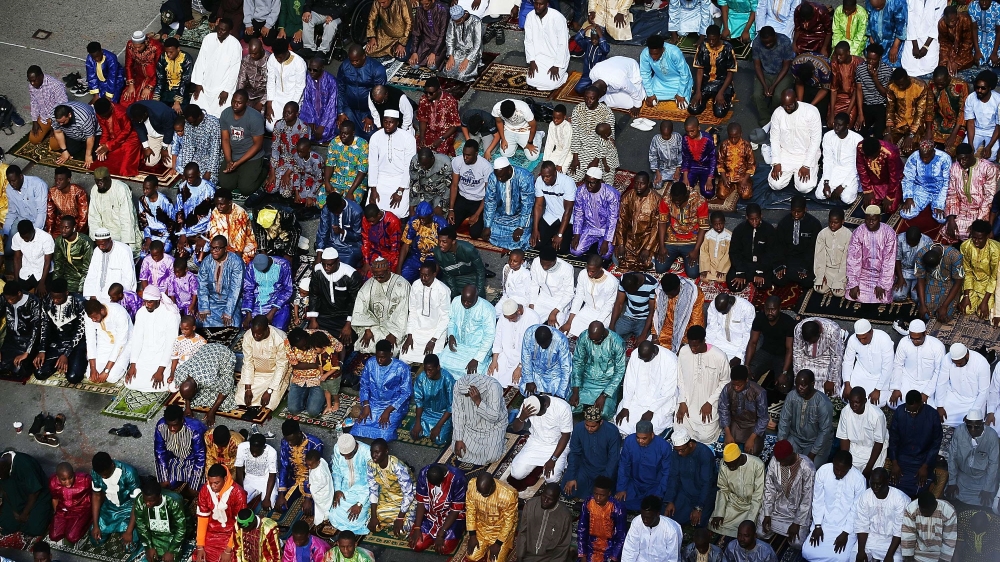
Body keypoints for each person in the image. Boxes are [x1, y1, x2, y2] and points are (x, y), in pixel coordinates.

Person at [800, 451, 867, 562]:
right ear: (833, 463)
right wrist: (817, 526)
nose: (839, 473)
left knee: (841, 558)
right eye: (836, 469)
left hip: (846, 527)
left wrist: (845, 533)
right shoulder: (823, 471)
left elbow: (856, 510)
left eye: (843, 471)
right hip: (824, 524)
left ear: (850, 467)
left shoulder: (859, 480)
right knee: (807, 552)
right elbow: (818, 500)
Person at [676, 325, 729, 444]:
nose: (693, 349)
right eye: (691, 345)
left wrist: (710, 402)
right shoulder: (684, 352)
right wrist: (682, 401)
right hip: (687, 402)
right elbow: (680, 378)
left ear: (704, 341)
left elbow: (725, 381)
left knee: (706, 437)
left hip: (708, 404)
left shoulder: (719, 356)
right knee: (679, 431)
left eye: (696, 346)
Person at [507, 394, 573, 489]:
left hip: (557, 444)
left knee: (551, 479)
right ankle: (538, 466)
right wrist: (522, 417)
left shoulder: (562, 407)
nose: (537, 416)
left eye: (540, 413)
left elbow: (566, 436)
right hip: (536, 442)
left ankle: (552, 464)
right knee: (516, 474)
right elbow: (516, 429)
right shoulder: (528, 404)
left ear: (545, 405)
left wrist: (553, 459)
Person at [352, 339, 412, 440]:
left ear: (391, 354)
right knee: (358, 429)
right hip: (373, 403)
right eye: (377, 357)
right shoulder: (371, 363)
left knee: (385, 434)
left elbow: (406, 392)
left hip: (393, 405)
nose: (379, 360)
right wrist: (366, 405)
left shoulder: (402, 368)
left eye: (383, 357)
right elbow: (364, 385)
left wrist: (388, 410)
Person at [758, 440, 815, 547]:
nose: (781, 464)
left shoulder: (807, 467)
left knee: (797, 543)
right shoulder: (775, 461)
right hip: (777, 507)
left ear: (791, 455)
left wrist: (797, 523)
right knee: (760, 532)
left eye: (783, 460)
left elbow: (807, 499)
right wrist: (767, 513)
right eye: (779, 460)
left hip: (797, 512)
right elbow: (769, 488)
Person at [888, 390, 944, 496]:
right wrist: (894, 463)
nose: (912, 414)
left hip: (923, 461)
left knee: (919, 490)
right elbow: (893, 439)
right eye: (909, 411)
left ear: (921, 403)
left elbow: (936, 443)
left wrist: (925, 466)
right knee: (894, 489)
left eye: (915, 411)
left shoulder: (932, 415)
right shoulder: (900, 411)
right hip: (902, 460)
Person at [126, 286, 181, 392]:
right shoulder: (141, 312)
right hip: (145, 354)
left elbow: (171, 344)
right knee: (130, 383)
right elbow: (137, 339)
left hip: (162, 356)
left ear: (158, 300)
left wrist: (161, 370)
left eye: (150, 302)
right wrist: (133, 364)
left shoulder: (170, 315)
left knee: (163, 384)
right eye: (145, 301)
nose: (147, 305)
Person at [562, 404, 621, 501]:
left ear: (601, 422)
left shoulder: (612, 431)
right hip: (585, 467)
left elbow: (613, 458)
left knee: (604, 494)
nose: (589, 429)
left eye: (593, 426)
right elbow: (574, 453)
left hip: (604, 470)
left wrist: (604, 480)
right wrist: (572, 477)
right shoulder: (579, 428)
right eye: (587, 425)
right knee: (568, 490)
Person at [767, 90, 822, 193]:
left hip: (805, 154)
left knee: (804, 188)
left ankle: (812, 169)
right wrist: (776, 162)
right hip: (786, 154)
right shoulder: (778, 113)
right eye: (784, 106)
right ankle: (790, 174)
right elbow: (774, 139)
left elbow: (816, 140)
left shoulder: (811, 112)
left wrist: (806, 165)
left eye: (790, 105)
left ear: (796, 99)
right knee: (775, 184)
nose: (787, 108)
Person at [570, 322, 625, 419]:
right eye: (592, 340)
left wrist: (604, 395)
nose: (594, 342)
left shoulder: (617, 342)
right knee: (570, 407)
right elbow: (578, 363)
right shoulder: (584, 337)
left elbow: (620, 371)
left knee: (603, 413)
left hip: (607, 383)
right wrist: (575, 390)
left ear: (604, 333)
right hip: (586, 380)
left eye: (597, 340)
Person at [36, 279, 87, 382]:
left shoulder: (80, 302)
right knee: (39, 373)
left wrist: (66, 354)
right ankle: (58, 363)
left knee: (73, 377)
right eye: (53, 297)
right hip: (56, 343)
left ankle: (73, 362)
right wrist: (42, 350)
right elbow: (44, 326)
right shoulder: (46, 300)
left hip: (75, 345)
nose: (55, 301)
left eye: (59, 298)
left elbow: (80, 330)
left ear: (66, 293)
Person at [778, 370, 834, 466]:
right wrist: (781, 444)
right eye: (797, 384)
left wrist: (811, 455)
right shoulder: (791, 396)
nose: (800, 388)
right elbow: (784, 421)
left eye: (803, 385)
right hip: (795, 438)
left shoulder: (823, 403)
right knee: (778, 460)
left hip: (815, 443)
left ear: (812, 384)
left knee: (809, 469)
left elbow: (824, 432)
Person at [614, 418, 670, 512]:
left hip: (653, 486)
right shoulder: (629, 441)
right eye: (638, 437)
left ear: (652, 435)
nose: (640, 441)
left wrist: (659, 493)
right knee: (619, 501)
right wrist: (621, 488)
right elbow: (624, 465)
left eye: (644, 438)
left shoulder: (664, 447)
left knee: (655, 506)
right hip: (634, 483)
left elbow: (666, 473)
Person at [452, 371, 508, 465]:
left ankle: (501, 442)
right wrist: (459, 439)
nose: (467, 396)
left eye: (468, 393)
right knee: (460, 451)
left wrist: (478, 401)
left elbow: (493, 417)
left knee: (492, 457)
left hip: (493, 427)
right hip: (471, 426)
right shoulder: (458, 385)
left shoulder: (493, 386)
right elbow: (458, 413)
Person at [236, 318, 291, 414]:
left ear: (267, 329)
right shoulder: (248, 336)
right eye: (253, 333)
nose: (255, 336)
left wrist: (269, 390)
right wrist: (248, 388)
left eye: (259, 334)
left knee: (270, 403)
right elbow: (248, 362)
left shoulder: (280, 338)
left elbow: (282, 367)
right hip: (256, 373)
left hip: (275, 374)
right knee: (240, 397)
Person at [945, 144, 998, 243]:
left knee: (976, 236)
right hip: (962, 210)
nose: (962, 162)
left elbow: (989, 197)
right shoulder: (954, 167)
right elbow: (952, 194)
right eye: (959, 159)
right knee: (949, 231)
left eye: (965, 158)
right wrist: (951, 219)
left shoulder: (988, 168)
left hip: (981, 211)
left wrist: (978, 222)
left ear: (972, 155)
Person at [664, 428, 716, 528]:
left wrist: (699, 508)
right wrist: (670, 500)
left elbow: (707, 483)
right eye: (677, 450)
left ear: (690, 444)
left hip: (704, 493)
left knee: (699, 522)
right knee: (668, 515)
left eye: (682, 450)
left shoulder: (704, 454)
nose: (679, 453)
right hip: (685, 491)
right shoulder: (676, 453)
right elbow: (674, 476)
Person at [854, 468, 909, 562]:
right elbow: (862, 525)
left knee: (896, 560)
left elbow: (899, 531)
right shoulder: (865, 496)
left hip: (892, 541)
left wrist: (889, 555)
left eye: (879, 484)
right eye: (872, 483)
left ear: (887, 482)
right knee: (854, 557)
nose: (875, 487)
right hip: (870, 538)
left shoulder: (900, 499)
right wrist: (861, 551)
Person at [845, 206, 897, 305]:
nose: (870, 222)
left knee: (883, 297)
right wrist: (854, 283)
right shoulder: (859, 232)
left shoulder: (889, 233)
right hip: (863, 273)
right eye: (868, 219)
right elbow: (853, 259)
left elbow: (889, 261)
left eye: (873, 219)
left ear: (880, 219)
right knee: (851, 294)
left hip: (881, 274)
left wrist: (882, 284)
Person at [190, 19, 242, 119]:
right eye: (219, 28)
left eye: (223, 30)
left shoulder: (235, 45)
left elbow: (234, 71)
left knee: (221, 114)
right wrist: (198, 83)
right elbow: (201, 61)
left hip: (221, 88)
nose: (220, 31)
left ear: (230, 31)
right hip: (204, 86)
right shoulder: (208, 38)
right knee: (195, 108)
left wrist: (226, 90)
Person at [194, 464, 247, 562]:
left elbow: (239, 524)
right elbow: (202, 519)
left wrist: (228, 550)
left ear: (225, 478)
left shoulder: (238, 493)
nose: (213, 486)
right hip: (212, 533)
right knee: (200, 557)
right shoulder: (206, 489)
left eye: (216, 483)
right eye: (211, 483)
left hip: (232, 534)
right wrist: (200, 547)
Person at [711, 444, 766, 538]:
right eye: (728, 465)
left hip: (751, 505)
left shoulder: (757, 465)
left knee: (749, 530)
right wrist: (719, 513)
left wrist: (750, 521)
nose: (730, 468)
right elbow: (723, 489)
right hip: (733, 503)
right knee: (715, 524)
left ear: (740, 457)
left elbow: (758, 496)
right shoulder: (724, 464)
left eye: (732, 464)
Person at [655, 182, 708, 279]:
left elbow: (703, 227)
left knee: (693, 274)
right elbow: (662, 222)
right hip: (672, 238)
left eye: (679, 200)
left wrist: (696, 250)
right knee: (660, 268)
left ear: (686, 195)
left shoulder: (699, 201)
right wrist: (662, 246)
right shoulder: (667, 199)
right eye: (674, 200)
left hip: (692, 240)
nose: (677, 203)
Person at [947, 409, 999, 507]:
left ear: (983, 424)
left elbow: (994, 464)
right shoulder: (959, 431)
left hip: (983, 479)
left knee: (985, 503)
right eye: (969, 426)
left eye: (977, 427)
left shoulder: (992, 436)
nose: (972, 430)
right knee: (952, 499)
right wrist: (952, 481)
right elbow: (952, 457)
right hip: (963, 477)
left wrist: (987, 488)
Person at [481, 157, 534, 251]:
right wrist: (487, 225)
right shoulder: (493, 177)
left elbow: (527, 204)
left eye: (502, 176)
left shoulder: (524, 177)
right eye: (498, 176)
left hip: (518, 217)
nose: (500, 179)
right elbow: (490, 202)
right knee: (489, 233)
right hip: (500, 217)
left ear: (509, 169)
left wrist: (521, 227)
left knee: (522, 238)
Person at [336, 46, 387, 141]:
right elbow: (340, 89)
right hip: (350, 108)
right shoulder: (344, 66)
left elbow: (380, 96)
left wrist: (370, 116)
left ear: (364, 56)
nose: (354, 63)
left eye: (357, 60)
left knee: (372, 135)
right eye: (351, 61)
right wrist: (340, 112)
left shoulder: (377, 69)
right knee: (340, 130)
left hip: (368, 110)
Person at [130, 480, 189, 562]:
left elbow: (181, 528)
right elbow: (140, 524)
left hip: (172, 537)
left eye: (151, 501)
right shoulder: (140, 499)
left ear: (159, 497)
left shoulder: (173, 501)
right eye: (145, 500)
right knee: (145, 556)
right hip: (152, 536)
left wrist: (171, 551)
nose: (147, 504)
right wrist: (149, 546)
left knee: (172, 559)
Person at [935, 343, 991, 428]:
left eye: (960, 363)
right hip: (954, 395)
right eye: (955, 363)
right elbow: (942, 382)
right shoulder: (947, 358)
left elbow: (984, 392)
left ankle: (989, 356)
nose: (957, 365)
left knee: (972, 425)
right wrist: (940, 406)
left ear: (967, 355)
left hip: (973, 401)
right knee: (934, 415)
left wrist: (973, 412)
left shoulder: (981, 363)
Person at [465, 473, 518, 562]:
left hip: (499, 530)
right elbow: (470, 510)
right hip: (481, 528)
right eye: (480, 492)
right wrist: (472, 535)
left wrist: (498, 543)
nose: (482, 495)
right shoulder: (472, 485)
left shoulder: (508, 495)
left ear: (493, 485)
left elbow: (509, 522)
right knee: (471, 556)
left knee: (495, 561)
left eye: (486, 493)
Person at [891, 319, 945, 405]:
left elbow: (939, 371)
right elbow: (898, 365)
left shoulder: (937, 347)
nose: (915, 341)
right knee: (894, 402)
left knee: (929, 406)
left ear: (925, 333)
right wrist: (896, 387)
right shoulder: (904, 342)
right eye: (912, 338)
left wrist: (927, 393)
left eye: (918, 339)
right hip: (908, 379)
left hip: (927, 382)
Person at [89, 452, 139, 545]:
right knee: (95, 540)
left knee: (130, 546)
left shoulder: (129, 473)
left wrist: (129, 531)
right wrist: (96, 524)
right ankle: (113, 527)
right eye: (101, 474)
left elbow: (137, 502)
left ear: (112, 465)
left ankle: (127, 529)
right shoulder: (95, 473)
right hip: (109, 508)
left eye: (105, 474)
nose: (103, 477)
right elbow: (96, 495)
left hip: (128, 509)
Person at [88, 170, 142, 256]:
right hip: (105, 235)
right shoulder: (95, 190)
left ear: (109, 178)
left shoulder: (121, 189)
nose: (99, 184)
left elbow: (127, 218)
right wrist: (97, 239)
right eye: (97, 181)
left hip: (123, 234)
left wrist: (125, 243)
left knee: (126, 256)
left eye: (102, 181)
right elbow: (93, 217)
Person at [842, 319, 893, 408]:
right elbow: (848, 362)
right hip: (862, 372)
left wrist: (878, 389)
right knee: (846, 395)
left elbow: (888, 367)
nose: (862, 341)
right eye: (859, 338)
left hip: (880, 375)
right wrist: (847, 384)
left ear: (871, 332)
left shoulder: (884, 339)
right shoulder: (853, 340)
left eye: (864, 338)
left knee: (879, 401)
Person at [517, 483, 573, 562]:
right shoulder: (530, 505)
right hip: (528, 555)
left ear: (557, 499)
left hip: (548, 557)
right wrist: (520, 556)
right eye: (544, 496)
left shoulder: (564, 515)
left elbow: (563, 545)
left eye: (550, 499)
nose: (545, 501)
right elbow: (523, 532)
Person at [750, 27, 795, 125]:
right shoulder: (757, 43)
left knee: (778, 96)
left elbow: (786, 66)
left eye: (770, 42)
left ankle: (775, 115)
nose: (768, 45)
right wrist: (765, 86)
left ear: (775, 36)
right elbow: (757, 66)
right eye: (765, 43)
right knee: (757, 96)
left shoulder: (785, 41)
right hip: (765, 73)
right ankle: (765, 119)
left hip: (783, 74)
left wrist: (774, 86)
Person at [689, 26, 737, 118]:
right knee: (693, 109)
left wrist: (721, 93)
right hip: (706, 82)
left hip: (722, 82)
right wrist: (698, 92)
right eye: (709, 39)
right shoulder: (702, 47)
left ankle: (724, 96)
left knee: (719, 112)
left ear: (719, 37)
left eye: (713, 39)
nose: (711, 42)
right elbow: (700, 70)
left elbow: (730, 73)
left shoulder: (728, 48)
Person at [719, 365, 768, 455]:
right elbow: (723, 410)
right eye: (734, 384)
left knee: (753, 451)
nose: (736, 388)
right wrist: (727, 433)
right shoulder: (728, 388)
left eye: (739, 385)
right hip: (735, 423)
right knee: (729, 450)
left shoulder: (759, 392)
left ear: (746, 380)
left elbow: (763, 418)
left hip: (753, 426)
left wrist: (752, 438)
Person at [728, 205, 777, 292]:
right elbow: (734, 252)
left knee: (765, 284)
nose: (754, 222)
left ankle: (751, 277)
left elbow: (770, 253)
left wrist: (760, 271)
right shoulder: (739, 230)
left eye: (757, 219)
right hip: (744, 264)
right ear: (746, 217)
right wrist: (740, 272)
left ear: (761, 216)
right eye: (751, 219)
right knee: (733, 285)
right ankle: (749, 277)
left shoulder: (769, 229)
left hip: (762, 264)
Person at [197, 236, 244, 327]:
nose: (213, 251)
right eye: (212, 247)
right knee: (204, 321)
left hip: (231, 302)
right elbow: (202, 285)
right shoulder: (206, 261)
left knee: (233, 324)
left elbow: (235, 289)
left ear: (225, 249)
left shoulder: (236, 262)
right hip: (212, 300)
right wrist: (204, 307)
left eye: (217, 248)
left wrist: (228, 312)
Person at [577, 476, 627, 562]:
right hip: (590, 547)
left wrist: (613, 557)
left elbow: (621, 536)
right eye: (596, 494)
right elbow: (582, 528)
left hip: (609, 549)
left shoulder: (617, 508)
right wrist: (582, 553)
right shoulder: (588, 503)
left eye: (602, 495)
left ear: (609, 493)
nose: (598, 498)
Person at [523, 0, 569, 90]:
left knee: (551, 85)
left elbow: (563, 44)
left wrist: (557, 65)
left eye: (541, 4)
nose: (538, 6)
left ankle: (564, 76)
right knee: (530, 81)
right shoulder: (530, 16)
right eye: (536, 3)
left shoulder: (558, 18)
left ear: (547, 4)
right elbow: (528, 41)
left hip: (556, 58)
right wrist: (532, 61)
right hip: (539, 57)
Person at [914, 242, 964, 323]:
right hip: (931, 281)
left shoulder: (955, 256)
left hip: (950, 284)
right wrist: (922, 305)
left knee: (944, 317)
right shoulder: (921, 253)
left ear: (941, 257)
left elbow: (958, 282)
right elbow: (920, 279)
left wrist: (944, 306)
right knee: (926, 315)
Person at [817, 114, 863, 204]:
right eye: (835, 124)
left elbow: (858, 165)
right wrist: (826, 182)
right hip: (834, 169)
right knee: (820, 195)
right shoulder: (828, 136)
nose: (836, 127)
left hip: (851, 172)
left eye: (840, 125)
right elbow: (827, 160)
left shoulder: (857, 139)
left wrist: (842, 186)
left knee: (846, 198)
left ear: (847, 126)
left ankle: (853, 187)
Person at [240, 254, 293, 330]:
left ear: (269, 262)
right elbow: (248, 290)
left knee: (278, 329)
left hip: (278, 304)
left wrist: (272, 312)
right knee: (250, 328)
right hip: (257, 305)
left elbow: (287, 290)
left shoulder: (283, 264)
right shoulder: (251, 266)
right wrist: (248, 314)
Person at [900, 492, 958, 562]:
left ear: (935, 505)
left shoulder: (948, 511)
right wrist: (909, 559)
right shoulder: (912, 509)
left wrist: (943, 560)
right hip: (918, 554)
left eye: (927, 511)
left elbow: (949, 539)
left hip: (939, 555)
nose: (924, 514)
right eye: (922, 511)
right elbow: (908, 536)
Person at [622, 496, 682, 562]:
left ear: (657, 514)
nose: (645, 520)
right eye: (643, 516)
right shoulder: (637, 522)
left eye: (648, 517)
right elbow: (630, 550)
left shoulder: (671, 530)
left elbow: (672, 558)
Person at [640, 35, 693, 109]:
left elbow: (684, 74)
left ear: (662, 49)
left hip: (677, 81)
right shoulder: (645, 53)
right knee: (651, 102)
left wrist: (681, 94)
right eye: (651, 54)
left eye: (656, 54)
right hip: (660, 81)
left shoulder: (674, 52)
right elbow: (645, 73)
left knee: (683, 106)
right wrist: (650, 94)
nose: (653, 57)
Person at [520, 325, 572, 399]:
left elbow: (566, 368)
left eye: (545, 343)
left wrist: (560, 393)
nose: (542, 347)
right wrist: (529, 380)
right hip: (536, 370)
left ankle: (545, 397)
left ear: (551, 338)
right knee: (524, 388)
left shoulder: (560, 339)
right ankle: (541, 397)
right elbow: (526, 357)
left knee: (561, 392)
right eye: (540, 344)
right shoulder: (529, 334)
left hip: (554, 372)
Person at [961, 221, 1000, 319]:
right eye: (974, 237)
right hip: (973, 282)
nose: (976, 241)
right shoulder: (966, 246)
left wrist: (985, 302)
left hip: (988, 283)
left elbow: (994, 277)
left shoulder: (995, 250)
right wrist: (966, 296)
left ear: (987, 236)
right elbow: (967, 271)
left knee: (984, 314)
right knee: (966, 309)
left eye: (980, 238)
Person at [48, 462, 93, 545]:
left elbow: (97, 493)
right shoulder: (53, 483)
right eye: (63, 480)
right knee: (54, 536)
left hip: (81, 509)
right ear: (57, 477)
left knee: (72, 537)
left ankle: (89, 522)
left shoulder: (85, 480)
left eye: (70, 477)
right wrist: (57, 515)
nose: (68, 482)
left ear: (74, 474)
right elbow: (55, 499)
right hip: (63, 510)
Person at [886, 71, 928, 156]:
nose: (900, 87)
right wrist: (889, 131)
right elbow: (890, 108)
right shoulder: (891, 86)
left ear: (907, 78)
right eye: (898, 85)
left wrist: (911, 134)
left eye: (902, 84)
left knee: (908, 150)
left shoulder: (920, 86)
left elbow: (920, 112)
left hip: (916, 123)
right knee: (887, 147)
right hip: (899, 121)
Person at [857, 137, 904, 213]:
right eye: (868, 156)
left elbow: (894, 176)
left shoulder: (891, 153)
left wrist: (889, 196)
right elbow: (861, 168)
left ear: (879, 150)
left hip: (891, 181)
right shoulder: (860, 147)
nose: (871, 159)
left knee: (889, 208)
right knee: (870, 206)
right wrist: (868, 190)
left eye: (873, 156)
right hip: (874, 181)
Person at [25, 65, 68, 148]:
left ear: (41, 76)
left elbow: (63, 106)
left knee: (55, 146)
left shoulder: (56, 85)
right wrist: (34, 121)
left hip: (57, 119)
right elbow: (34, 103)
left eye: (34, 81)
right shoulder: (32, 85)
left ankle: (65, 132)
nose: (32, 84)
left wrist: (55, 125)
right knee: (33, 140)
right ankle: (48, 129)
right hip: (44, 117)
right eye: (30, 81)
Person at [705, 294, 755, 362]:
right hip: (719, 341)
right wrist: (707, 346)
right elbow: (711, 328)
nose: (722, 314)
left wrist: (739, 356)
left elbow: (747, 334)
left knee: (732, 368)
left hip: (738, 346)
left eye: (723, 311)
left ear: (730, 303)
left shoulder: (747, 308)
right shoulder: (713, 305)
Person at [813, 209, 851, 297]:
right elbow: (819, 256)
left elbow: (846, 259)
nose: (832, 225)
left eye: (836, 222)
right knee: (819, 289)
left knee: (838, 293)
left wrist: (839, 280)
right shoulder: (822, 234)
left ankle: (841, 283)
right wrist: (821, 275)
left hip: (841, 270)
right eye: (830, 222)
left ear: (842, 221)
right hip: (827, 270)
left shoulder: (848, 235)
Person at [234, 433, 278, 508]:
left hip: (266, 480)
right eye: (252, 451)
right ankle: (256, 492)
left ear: (264, 447)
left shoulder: (272, 453)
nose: (254, 454)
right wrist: (241, 490)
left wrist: (267, 498)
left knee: (269, 506)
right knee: (238, 503)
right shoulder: (242, 447)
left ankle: (261, 493)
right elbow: (239, 468)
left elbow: (272, 475)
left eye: (257, 452)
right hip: (249, 479)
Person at [50, 102, 99, 168]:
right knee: (68, 151)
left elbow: (90, 137)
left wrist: (88, 155)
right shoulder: (54, 116)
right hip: (73, 134)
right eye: (59, 122)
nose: (61, 124)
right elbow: (58, 132)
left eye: (63, 122)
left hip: (91, 134)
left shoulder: (84, 118)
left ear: (69, 115)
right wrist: (64, 151)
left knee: (96, 154)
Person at [441, 6, 483, 83]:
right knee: (447, 72)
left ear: (463, 16)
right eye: (455, 21)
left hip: (472, 53)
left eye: (458, 21)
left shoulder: (476, 21)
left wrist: (467, 60)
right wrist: (451, 56)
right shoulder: (453, 21)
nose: (456, 23)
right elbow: (450, 39)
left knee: (462, 75)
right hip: (457, 51)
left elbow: (477, 44)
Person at [965, 71, 1000, 161]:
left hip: (992, 131)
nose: (979, 90)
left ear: (990, 88)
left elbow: (998, 127)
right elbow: (971, 122)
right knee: (966, 152)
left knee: (991, 156)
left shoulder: (998, 100)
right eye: (977, 87)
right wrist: (970, 144)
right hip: (977, 129)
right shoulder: (971, 98)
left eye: (983, 88)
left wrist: (989, 146)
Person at [45, 167, 89, 238]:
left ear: (68, 179)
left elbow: (83, 217)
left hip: (76, 224)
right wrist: (49, 232)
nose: (57, 182)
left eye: (61, 180)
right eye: (56, 180)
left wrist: (76, 234)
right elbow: (50, 215)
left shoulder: (79, 191)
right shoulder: (52, 192)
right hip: (61, 223)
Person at [716, 124, 756, 201]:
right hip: (728, 176)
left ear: (741, 134)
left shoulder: (746, 145)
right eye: (731, 137)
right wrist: (724, 178)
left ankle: (740, 185)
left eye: (736, 137)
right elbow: (720, 163)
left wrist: (744, 180)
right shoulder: (724, 145)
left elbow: (751, 164)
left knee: (746, 195)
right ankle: (734, 186)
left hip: (742, 176)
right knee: (721, 194)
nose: (733, 140)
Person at [12, 220, 53, 291]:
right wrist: (16, 281)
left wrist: (42, 283)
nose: (25, 240)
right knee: (17, 292)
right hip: (26, 270)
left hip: (43, 272)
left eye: (27, 237)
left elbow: (47, 262)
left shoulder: (46, 238)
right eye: (23, 237)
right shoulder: (16, 237)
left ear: (32, 231)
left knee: (42, 296)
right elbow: (17, 259)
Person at [894, 227, 932, 302]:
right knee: (896, 296)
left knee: (917, 298)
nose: (911, 245)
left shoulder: (927, 242)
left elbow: (929, 264)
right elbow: (897, 259)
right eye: (909, 242)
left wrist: (922, 282)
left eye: (913, 243)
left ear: (920, 238)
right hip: (904, 271)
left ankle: (911, 290)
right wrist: (900, 278)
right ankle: (906, 289)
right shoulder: (900, 238)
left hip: (920, 273)